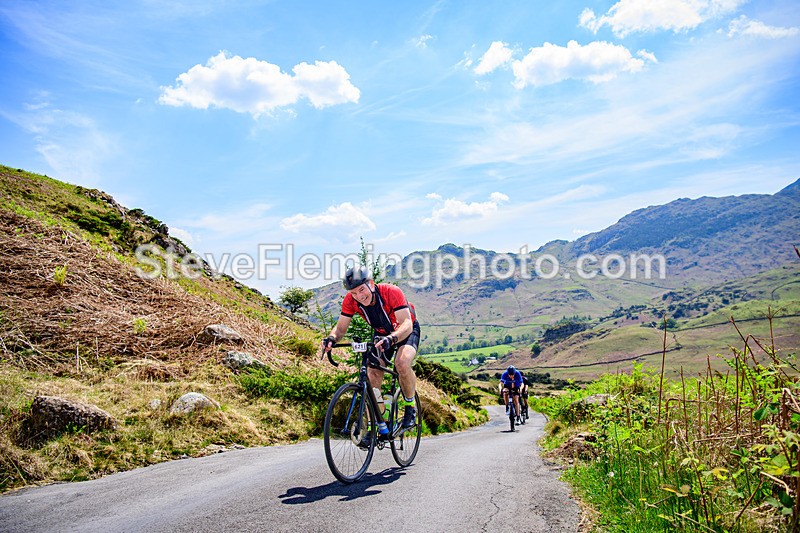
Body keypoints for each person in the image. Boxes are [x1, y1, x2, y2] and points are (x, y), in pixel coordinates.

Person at [321, 265, 421, 435]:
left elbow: (407, 323)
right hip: (381, 335)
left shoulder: (391, 291)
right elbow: (340, 329)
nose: (359, 296)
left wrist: (392, 338)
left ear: (372, 284)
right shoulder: (351, 301)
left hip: (406, 332)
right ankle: (380, 424)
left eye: (361, 290)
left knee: (402, 363)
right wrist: (331, 339)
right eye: (354, 293)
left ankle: (410, 408)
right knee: (372, 373)